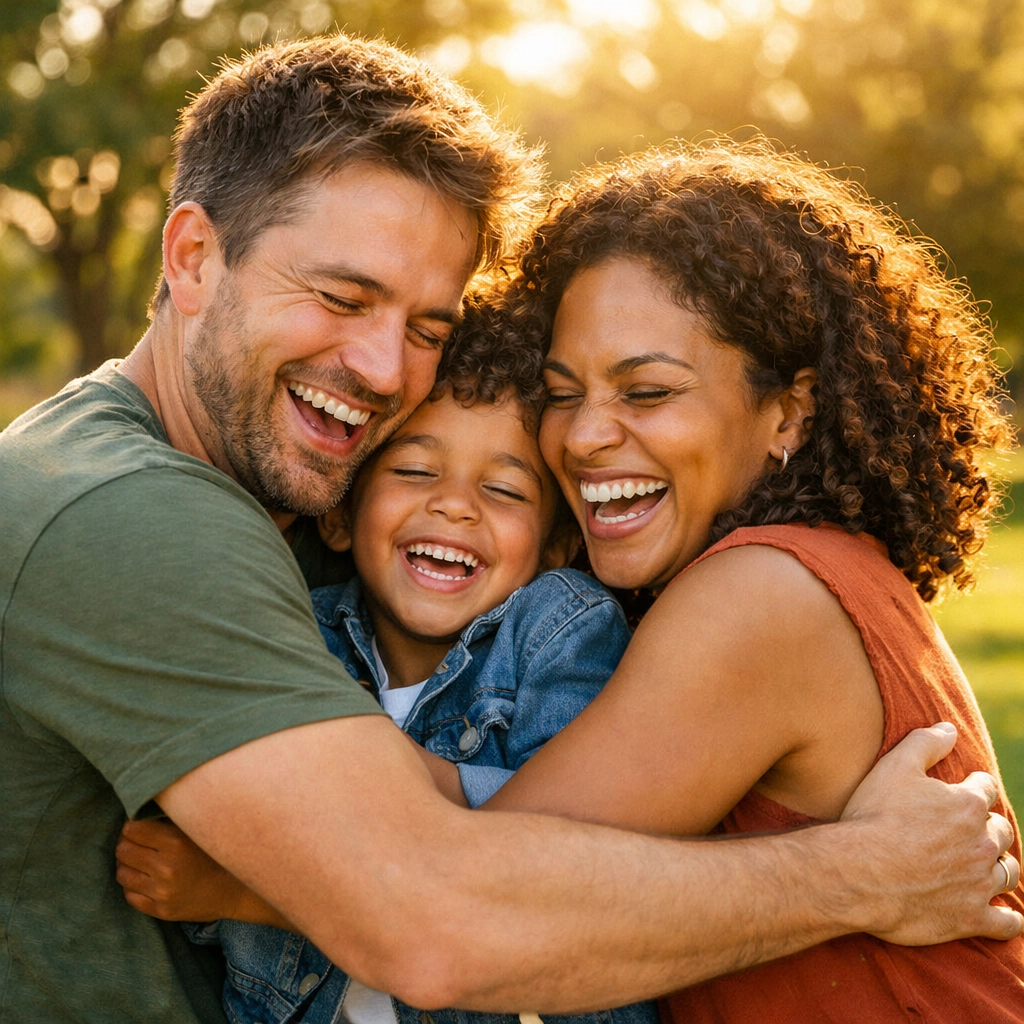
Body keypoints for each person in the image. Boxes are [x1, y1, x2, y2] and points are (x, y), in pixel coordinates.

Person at [0, 32, 1018, 1024]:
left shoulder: (756, 591)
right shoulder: (138, 512)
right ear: (190, 257)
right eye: (340, 295)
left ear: (788, 411)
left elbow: (458, 903)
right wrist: (866, 872)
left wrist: (876, 874)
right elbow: (445, 906)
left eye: (427, 328)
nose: (387, 370)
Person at [417, 138, 1022, 1019]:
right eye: (562, 391)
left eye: (647, 392)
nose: (583, 437)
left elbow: (480, 914)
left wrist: (237, 881)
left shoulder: (762, 597)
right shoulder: (817, 569)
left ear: (787, 412)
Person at [116, 301, 652, 1024]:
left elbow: (567, 856)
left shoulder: (557, 631)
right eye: (414, 469)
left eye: (503, 490)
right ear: (339, 514)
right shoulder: (298, 636)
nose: (455, 506)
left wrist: (248, 891)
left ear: (555, 546)